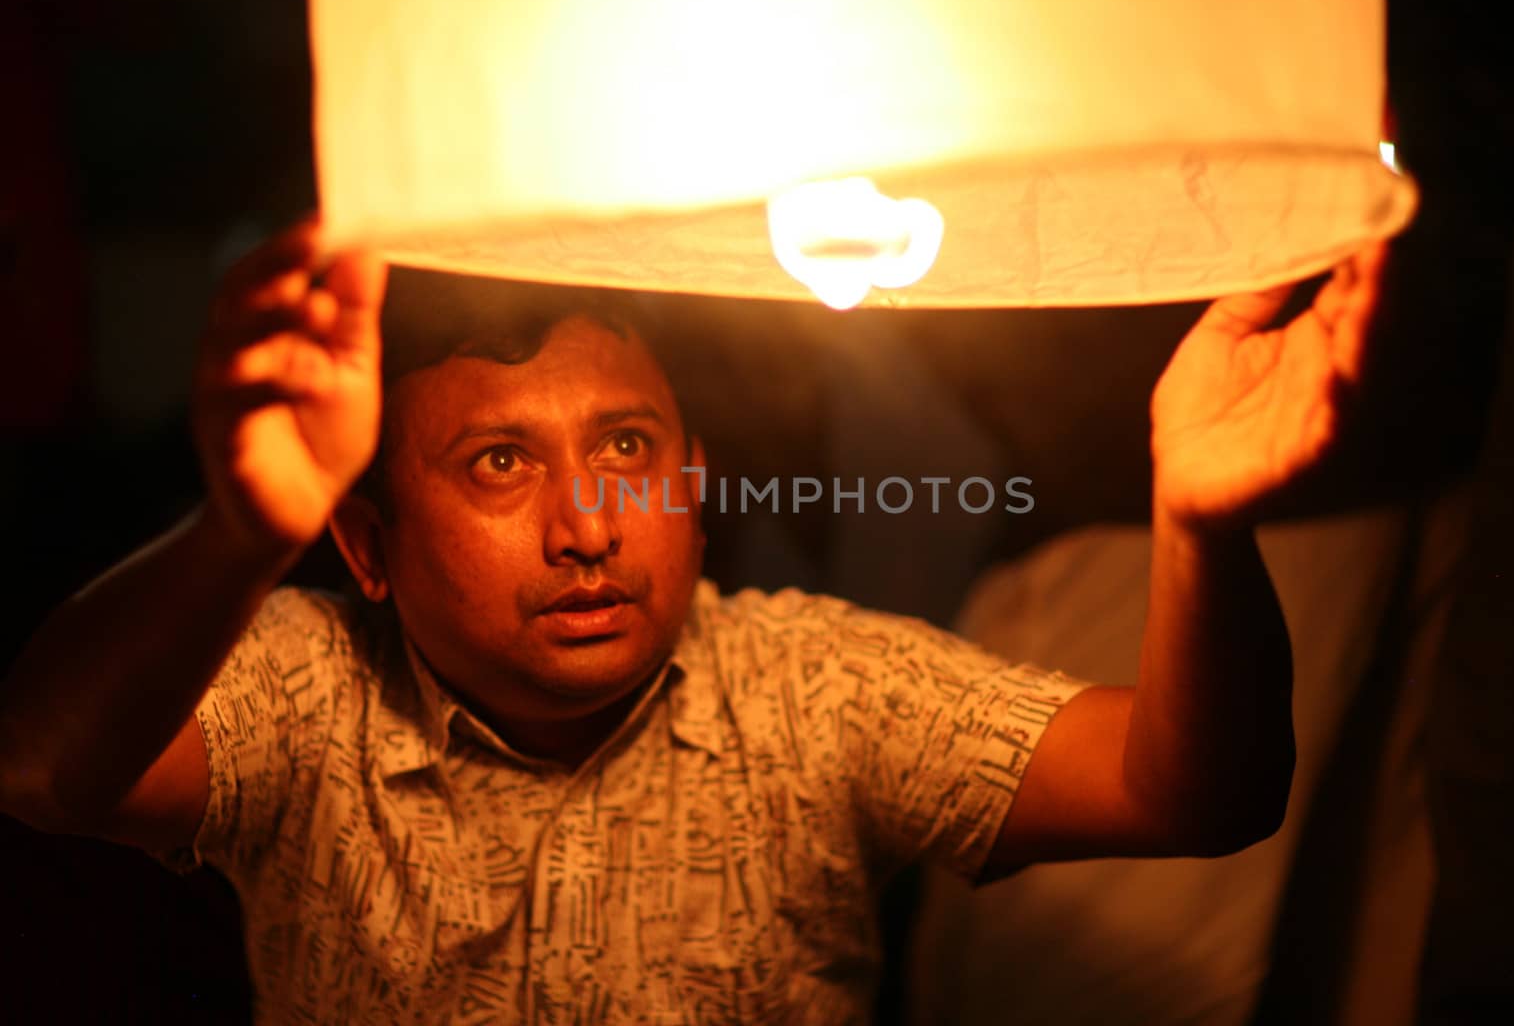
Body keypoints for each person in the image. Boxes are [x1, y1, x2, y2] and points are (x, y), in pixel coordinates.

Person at [0, 219, 1390, 1024]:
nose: (588, 523)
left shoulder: (812, 688)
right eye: (499, 465)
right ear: (368, 547)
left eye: (624, 450)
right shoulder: (310, 693)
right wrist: (243, 529)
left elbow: (1192, 791)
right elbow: (46, 770)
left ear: (696, 485)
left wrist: (1200, 518)